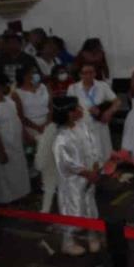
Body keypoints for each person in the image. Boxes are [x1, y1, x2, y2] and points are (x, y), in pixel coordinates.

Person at [52, 96, 102, 256]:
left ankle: (92, 235)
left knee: (90, 206)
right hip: (73, 182)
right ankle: (68, 242)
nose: (81, 110)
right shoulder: (61, 138)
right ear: (68, 113)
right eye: (77, 108)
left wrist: (95, 166)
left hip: (89, 177)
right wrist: (86, 173)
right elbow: (66, 163)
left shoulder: (83, 126)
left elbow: (93, 145)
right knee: (73, 209)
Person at [0, 75, 31, 204]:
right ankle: (8, 202)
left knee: (19, 173)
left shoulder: (9, 102)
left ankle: (21, 197)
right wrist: (1, 151)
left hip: (15, 145)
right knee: (5, 177)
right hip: (2, 147)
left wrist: (25, 134)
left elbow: (18, 119)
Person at [67, 63, 121, 164]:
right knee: (87, 157)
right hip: (83, 126)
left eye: (91, 72)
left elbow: (117, 101)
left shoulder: (102, 85)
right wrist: (80, 112)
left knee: (104, 154)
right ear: (80, 75)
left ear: (95, 73)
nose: (88, 75)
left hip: (100, 125)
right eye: (85, 73)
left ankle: (105, 175)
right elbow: (70, 109)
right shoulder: (73, 88)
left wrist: (109, 112)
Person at [12, 65, 52, 144]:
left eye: (36, 72)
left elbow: (50, 107)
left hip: (48, 124)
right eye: (33, 73)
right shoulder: (17, 94)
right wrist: (37, 128)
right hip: (31, 128)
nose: (36, 75)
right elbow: (20, 116)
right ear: (25, 76)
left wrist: (47, 123)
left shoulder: (44, 87)